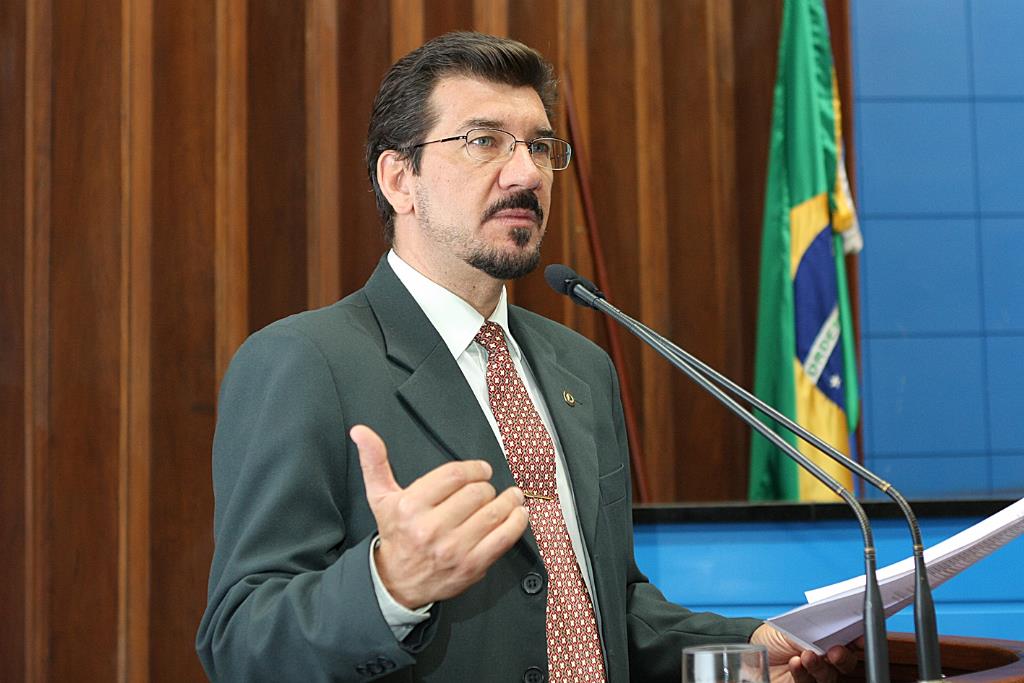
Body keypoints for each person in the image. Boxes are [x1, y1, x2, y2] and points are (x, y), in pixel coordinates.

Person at [196, 31, 856, 683]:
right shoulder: (305, 362)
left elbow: (603, 606)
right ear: (400, 179)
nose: (527, 174)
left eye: (539, 146)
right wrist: (389, 586)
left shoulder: (581, 367)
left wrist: (748, 646)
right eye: (484, 141)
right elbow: (239, 641)